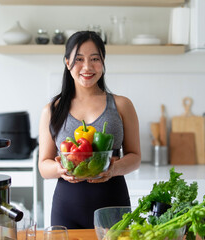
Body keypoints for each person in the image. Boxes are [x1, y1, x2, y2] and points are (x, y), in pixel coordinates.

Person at [38, 31, 141, 229]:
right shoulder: (52, 110)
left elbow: (135, 156)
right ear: (67, 63)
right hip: (67, 208)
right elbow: (44, 166)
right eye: (79, 59)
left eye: (95, 59)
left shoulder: (121, 105)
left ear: (103, 62)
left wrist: (114, 169)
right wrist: (60, 169)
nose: (87, 67)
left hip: (113, 205)